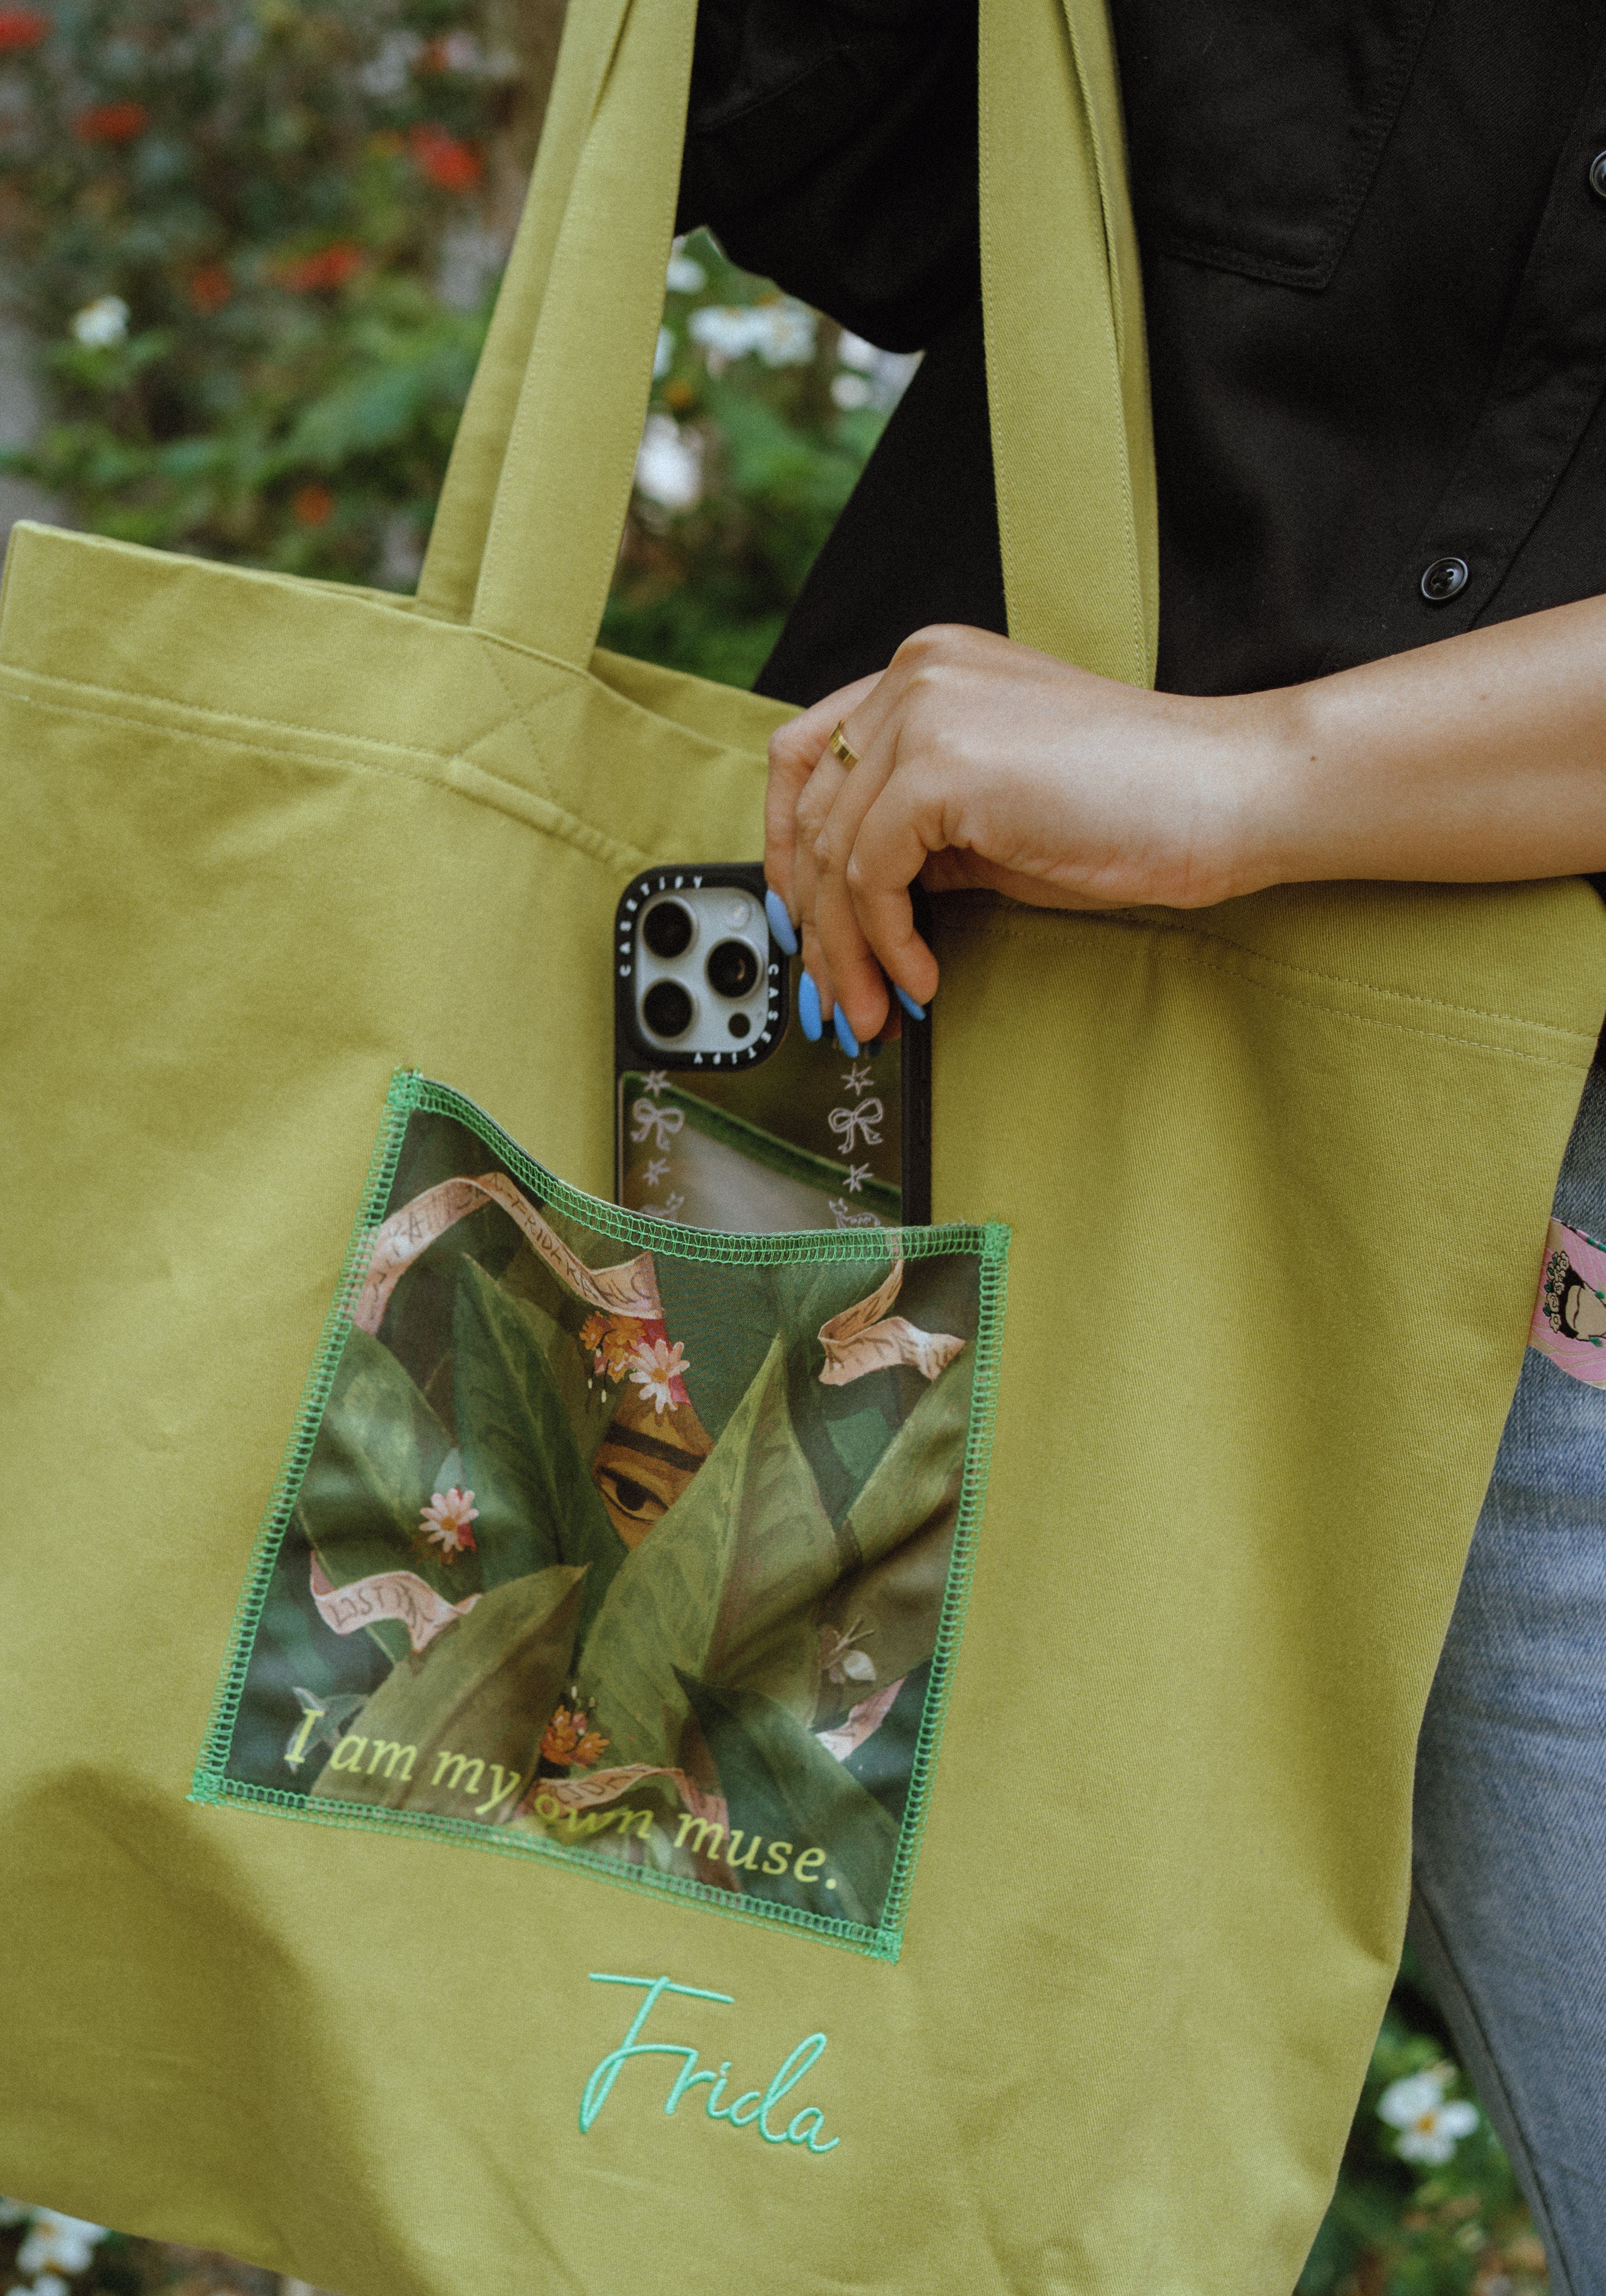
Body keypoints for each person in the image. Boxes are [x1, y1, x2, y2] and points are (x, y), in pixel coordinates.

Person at [676, 4, 1606, 2288]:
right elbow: (838, 161)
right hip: (922, 1063)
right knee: (719, 2155)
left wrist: (1260, 778)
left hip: (1559, 1222)